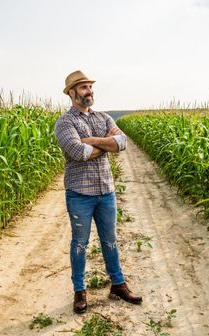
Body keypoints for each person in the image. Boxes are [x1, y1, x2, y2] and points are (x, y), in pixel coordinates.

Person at [55, 70, 142, 314]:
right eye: (83, 87)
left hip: (106, 191)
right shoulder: (65, 122)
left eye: (90, 86)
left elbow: (122, 144)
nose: (89, 91)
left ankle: (118, 284)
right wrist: (107, 143)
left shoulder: (103, 117)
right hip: (79, 193)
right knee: (80, 244)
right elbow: (78, 153)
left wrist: (91, 140)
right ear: (72, 93)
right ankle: (79, 291)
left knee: (110, 240)